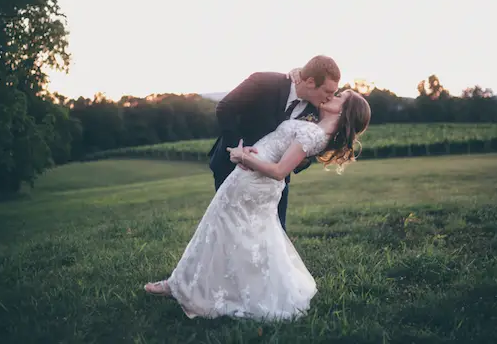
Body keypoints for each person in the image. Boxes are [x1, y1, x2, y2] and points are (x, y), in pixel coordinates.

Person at [144, 89, 372, 321]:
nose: (331, 96)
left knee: (224, 231)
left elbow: (280, 171)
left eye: (338, 97)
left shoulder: (315, 133)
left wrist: (244, 157)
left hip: (253, 182)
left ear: (343, 110)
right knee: (233, 234)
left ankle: (189, 287)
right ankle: (187, 283)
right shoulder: (317, 126)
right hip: (252, 182)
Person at [207, 55, 341, 232]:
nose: (330, 98)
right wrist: (237, 147)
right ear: (309, 82)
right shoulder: (264, 82)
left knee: (275, 233)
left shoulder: (318, 111)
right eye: (327, 91)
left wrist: (302, 161)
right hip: (232, 167)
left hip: (275, 181)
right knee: (229, 229)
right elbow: (225, 108)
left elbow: (309, 148)